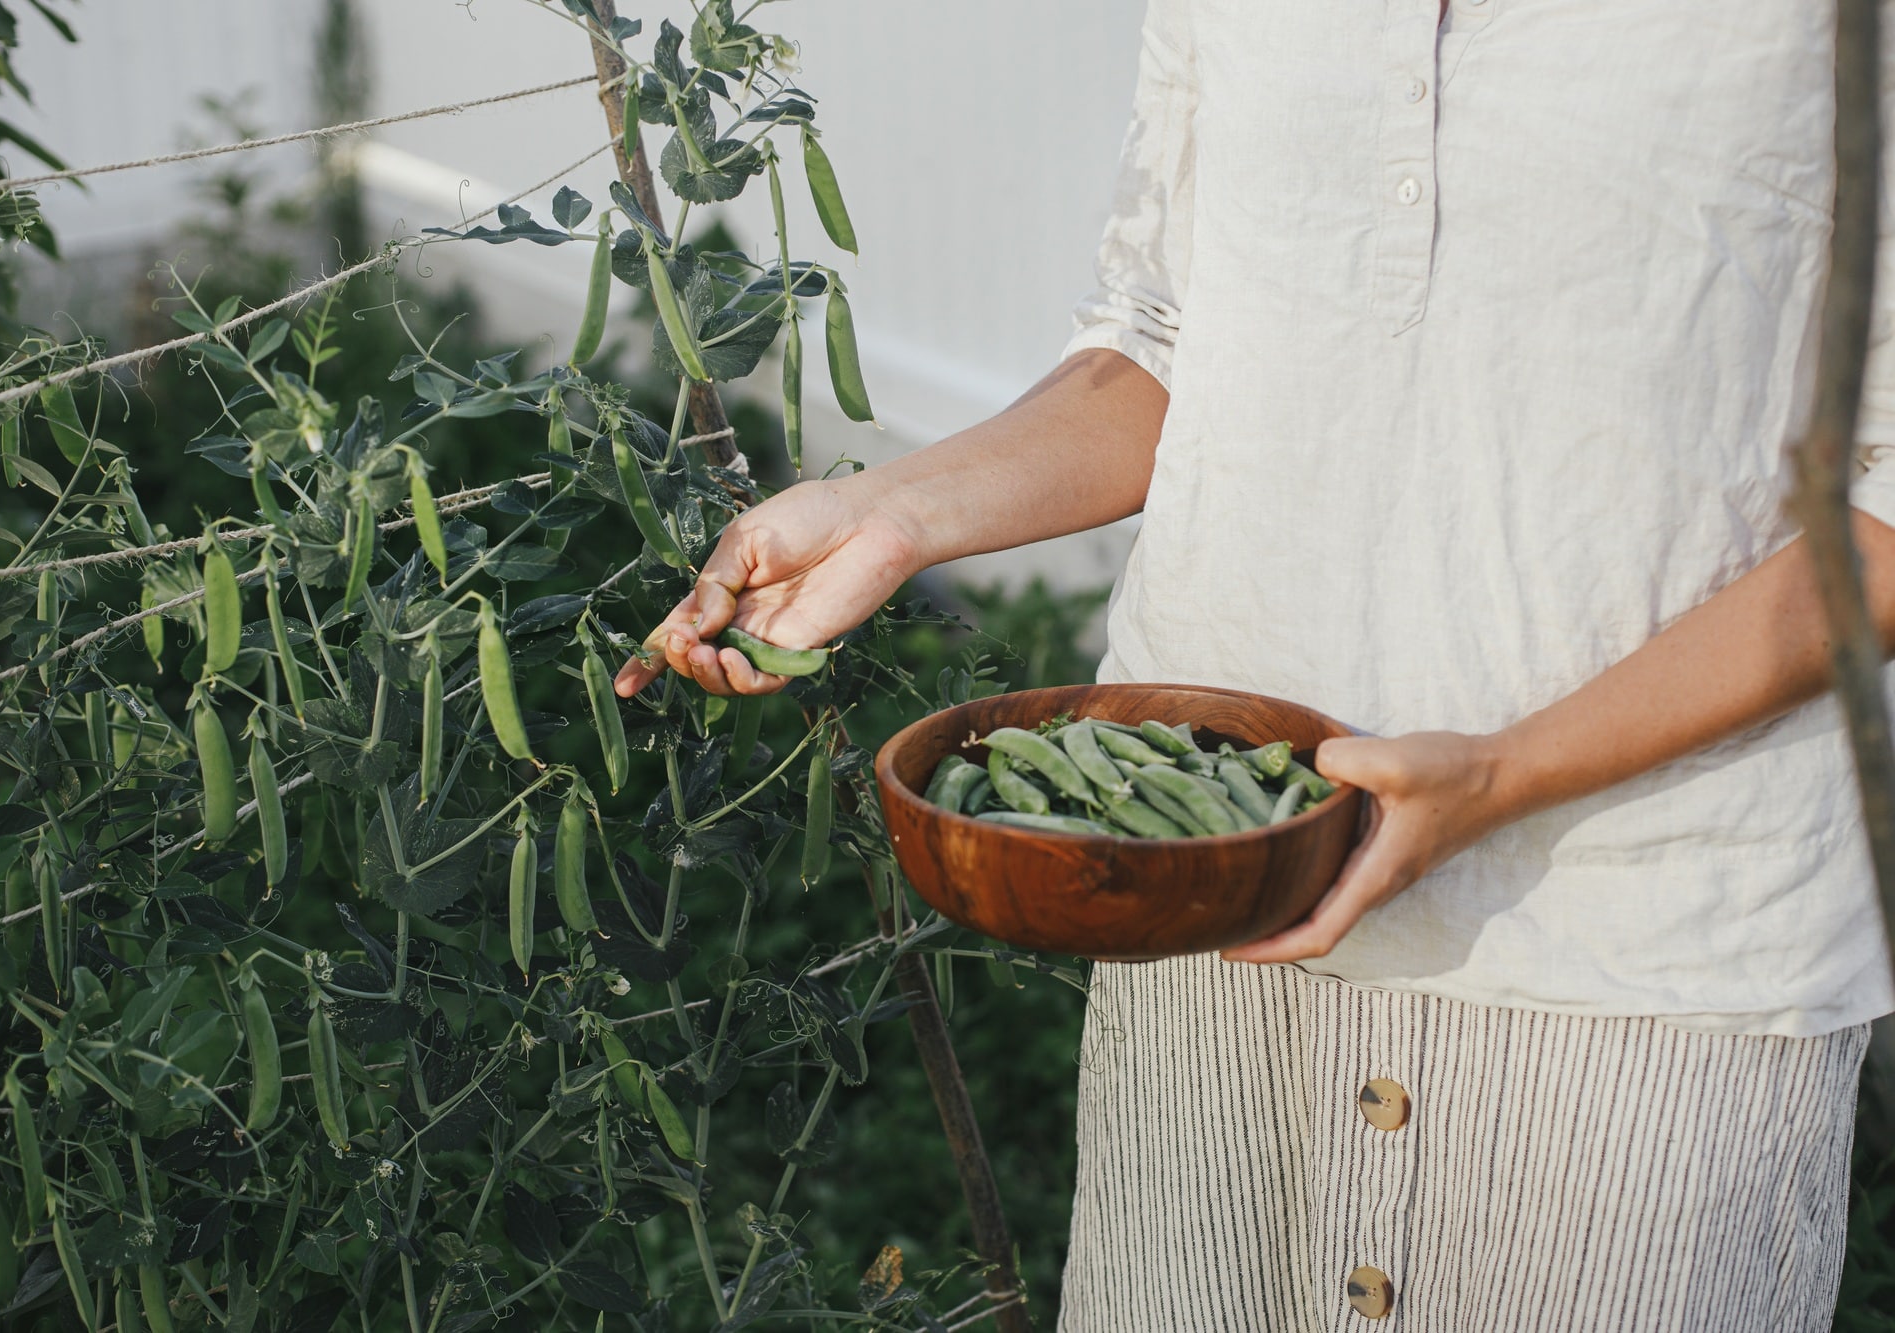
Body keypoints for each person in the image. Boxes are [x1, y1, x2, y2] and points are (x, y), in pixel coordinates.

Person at [616, 1, 1895, 1327]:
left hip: (1636, 947)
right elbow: (1167, 331)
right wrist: (896, 518)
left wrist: (1507, 771)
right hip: (1218, 887)